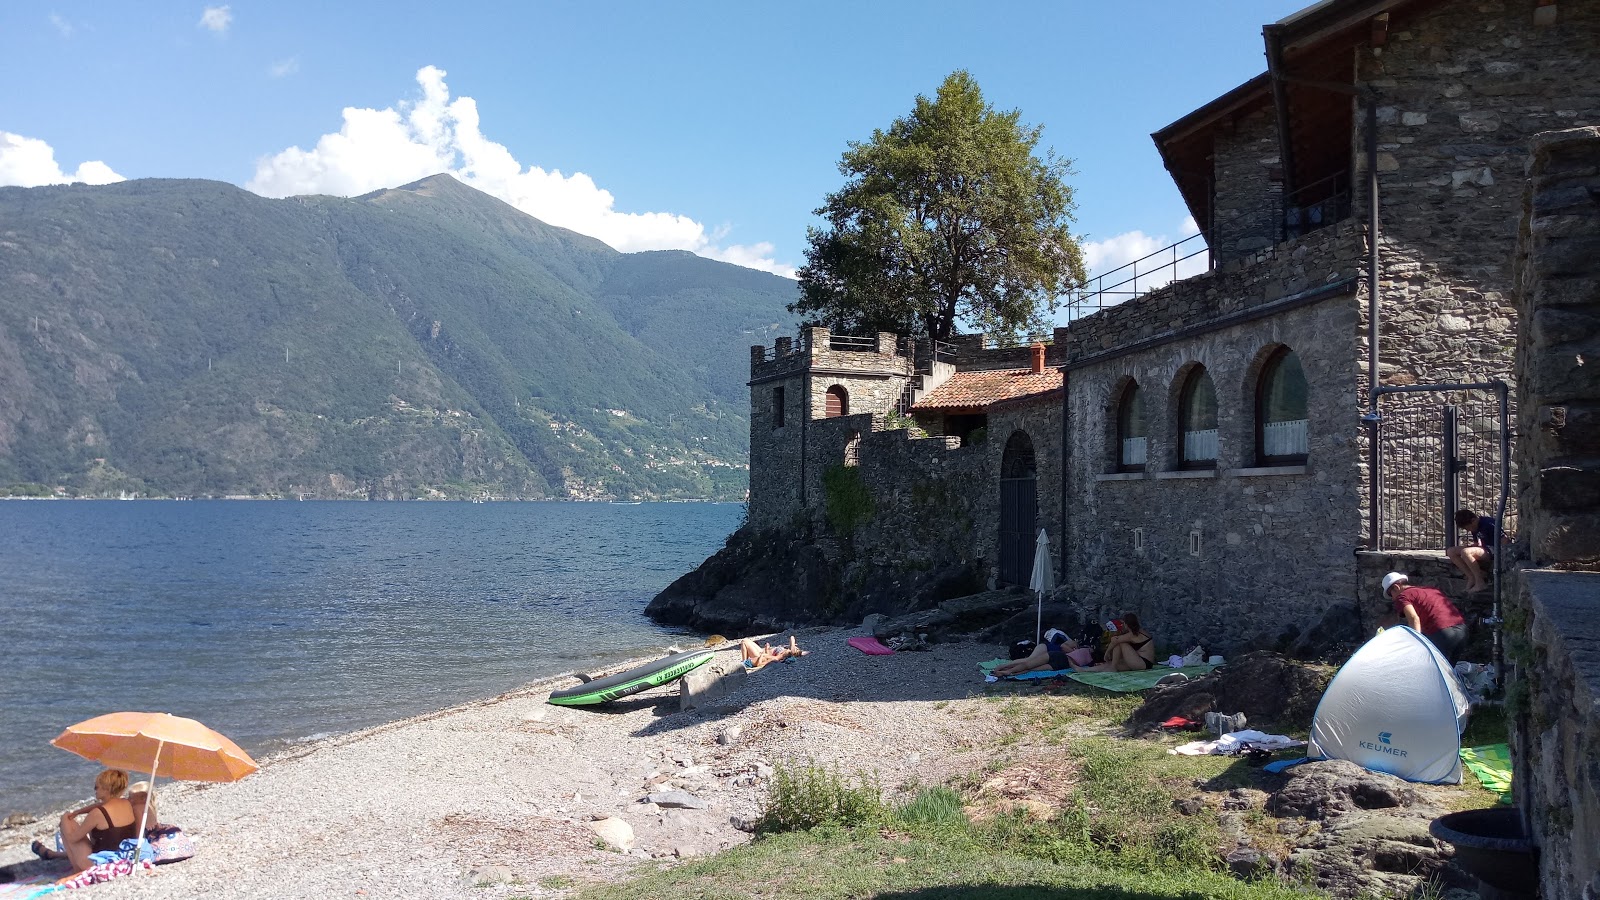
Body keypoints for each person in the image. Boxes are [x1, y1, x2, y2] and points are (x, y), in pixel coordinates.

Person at [31, 768, 157, 873]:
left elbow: (73, 839)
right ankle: (55, 855)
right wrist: (78, 812)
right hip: (122, 857)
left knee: (66, 821)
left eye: (97, 787)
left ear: (106, 789)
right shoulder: (127, 803)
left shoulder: (97, 814)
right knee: (73, 822)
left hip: (97, 863)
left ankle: (77, 869)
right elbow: (101, 805)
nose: (94, 790)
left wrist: (64, 825)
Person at [1383, 572, 1468, 662]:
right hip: (1462, 631)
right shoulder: (1430, 590)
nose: (1392, 598)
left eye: (1390, 594)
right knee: (1447, 672)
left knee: (1432, 671)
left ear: (1396, 587)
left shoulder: (1402, 597)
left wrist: (1415, 645)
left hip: (1442, 634)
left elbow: (1413, 618)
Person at [1070, 614, 1156, 672]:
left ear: (1126, 624)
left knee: (1120, 643)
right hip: (1141, 662)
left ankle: (1113, 668)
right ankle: (1085, 670)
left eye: (1123, 624)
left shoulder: (1133, 634)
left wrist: (1106, 654)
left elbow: (1115, 640)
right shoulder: (1138, 632)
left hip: (1143, 663)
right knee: (1111, 664)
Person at [993, 628, 1093, 677]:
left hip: (1055, 657)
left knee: (1031, 666)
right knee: (1029, 660)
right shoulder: (1073, 643)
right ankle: (1004, 666)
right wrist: (1073, 651)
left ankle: (1008, 670)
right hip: (1047, 648)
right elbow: (1063, 646)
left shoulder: (1084, 655)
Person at [1447, 508, 1502, 593]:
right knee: (1451, 551)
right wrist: (1473, 546)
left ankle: (1480, 583)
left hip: (1494, 550)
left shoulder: (1488, 523)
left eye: (1467, 527)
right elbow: (1477, 543)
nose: (1468, 530)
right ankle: (1471, 577)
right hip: (1484, 548)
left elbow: (1505, 540)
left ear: (1473, 520)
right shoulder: (1475, 527)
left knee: (1466, 552)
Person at [740, 636, 807, 671]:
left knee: (744, 642)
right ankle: (744, 663)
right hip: (762, 653)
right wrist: (792, 646)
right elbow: (792, 637)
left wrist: (766, 650)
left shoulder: (780, 656)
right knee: (746, 640)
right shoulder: (787, 650)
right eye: (796, 648)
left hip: (760, 655)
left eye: (796, 649)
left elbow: (768, 658)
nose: (796, 648)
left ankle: (744, 662)